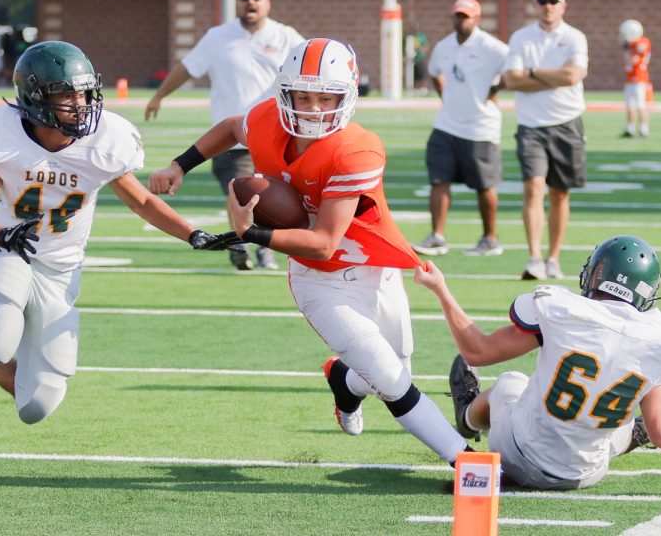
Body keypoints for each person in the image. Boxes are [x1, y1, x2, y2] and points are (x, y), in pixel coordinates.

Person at [149, 38, 472, 466]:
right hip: (319, 281)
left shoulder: (356, 149)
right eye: (303, 96)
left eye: (326, 97)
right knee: (394, 382)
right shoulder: (267, 120)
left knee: (395, 367)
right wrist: (179, 165)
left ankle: (344, 381)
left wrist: (252, 233)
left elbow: (325, 241)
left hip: (370, 262)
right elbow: (231, 127)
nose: (313, 108)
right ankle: (468, 460)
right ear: (285, 93)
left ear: (348, 96)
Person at [0, 41, 236, 480]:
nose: (80, 104)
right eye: (65, 94)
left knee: (35, 404)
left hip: (61, 267)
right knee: (0, 341)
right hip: (11, 251)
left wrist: (193, 235)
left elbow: (144, 201)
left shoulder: (106, 140)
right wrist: (5, 234)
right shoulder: (1, 136)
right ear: (35, 97)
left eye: (85, 93)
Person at [415, 234, 661, 490]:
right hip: (585, 475)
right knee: (627, 419)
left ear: (596, 273)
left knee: (510, 382)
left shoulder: (561, 308)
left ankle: (467, 418)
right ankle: (632, 431)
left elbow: (477, 352)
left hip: (519, 457)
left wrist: (441, 289)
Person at [145, 0, 304, 271]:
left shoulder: (286, 36)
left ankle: (262, 246)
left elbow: (308, 67)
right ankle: (243, 245)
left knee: (273, 196)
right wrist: (159, 95)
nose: (251, 2)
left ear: (268, 4)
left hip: (274, 135)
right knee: (240, 189)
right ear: (238, 4)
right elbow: (187, 67)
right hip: (229, 138)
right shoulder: (218, 37)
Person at [504, 0, 588, 280]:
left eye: (553, 2)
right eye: (543, 1)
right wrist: (553, 76)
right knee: (532, 188)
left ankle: (553, 257)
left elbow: (573, 75)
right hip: (531, 125)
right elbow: (511, 80)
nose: (548, 6)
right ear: (536, 5)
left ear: (563, 6)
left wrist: (534, 72)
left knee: (560, 193)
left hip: (566, 122)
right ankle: (534, 257)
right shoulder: (521, 37)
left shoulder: (574, 37)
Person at [412, 0, 508, 257]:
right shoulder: (444, 46)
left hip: (481, 126)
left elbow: (514, 66)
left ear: (476, 18)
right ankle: (437, 236)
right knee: (438, 180)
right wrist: (446, 97)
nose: (461, 20)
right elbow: (434, 72)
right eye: (458, 15)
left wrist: (495, 89)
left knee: (484, 185)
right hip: (447, 124)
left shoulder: (490, 46)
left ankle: (490, 238)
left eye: (466, 16)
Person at [619, 19, 652, 138]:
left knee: (640, 104)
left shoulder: (642, 42)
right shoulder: (632, 44)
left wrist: (627, 49)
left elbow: (634, 60)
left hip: (639, 78)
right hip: (630, 78)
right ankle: (630, 128)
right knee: (630, 105)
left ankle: (644, 129)